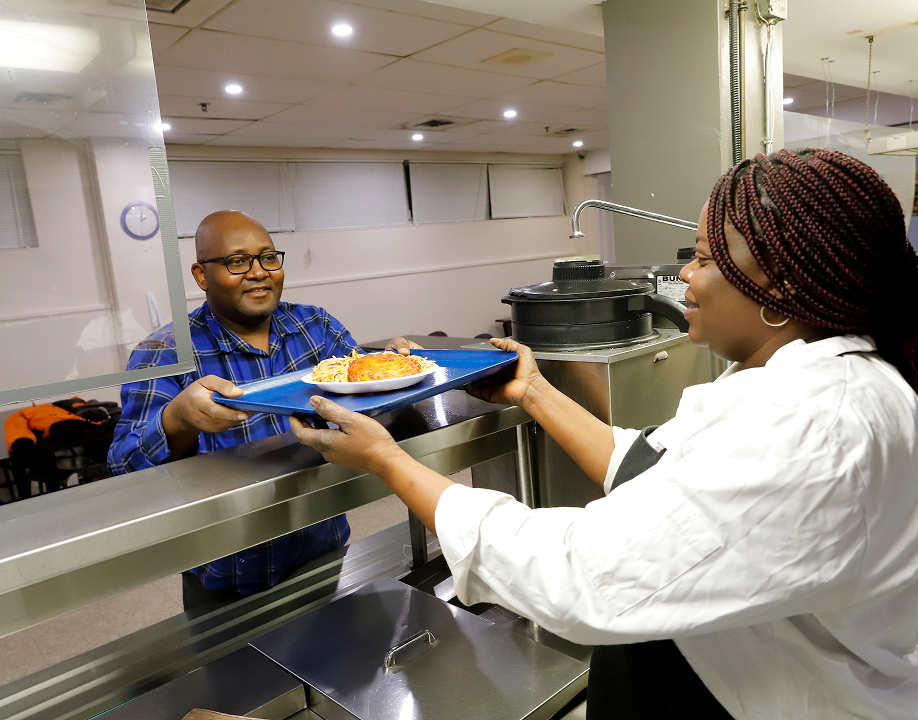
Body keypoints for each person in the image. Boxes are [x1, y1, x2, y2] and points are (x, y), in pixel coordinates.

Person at [289, 149, 918, 720]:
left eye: (704, 259)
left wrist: (388, 461)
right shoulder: (803, 377)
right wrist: (534, 392)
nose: (685, 280)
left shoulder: (816, 426)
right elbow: (652, 467)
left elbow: (579, 574)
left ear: (782, 283)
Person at [108, 210, 418, 612]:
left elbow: (363, 403)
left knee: (335, 664)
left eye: (268, 257)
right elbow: (123, 468)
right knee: (238, 675)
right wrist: (177, 420)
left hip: (321, 548)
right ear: (202, 276)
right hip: (225, 577)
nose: (259, 272)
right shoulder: (165, 353)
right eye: (237, 261)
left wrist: (392, 367)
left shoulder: (316, 327)